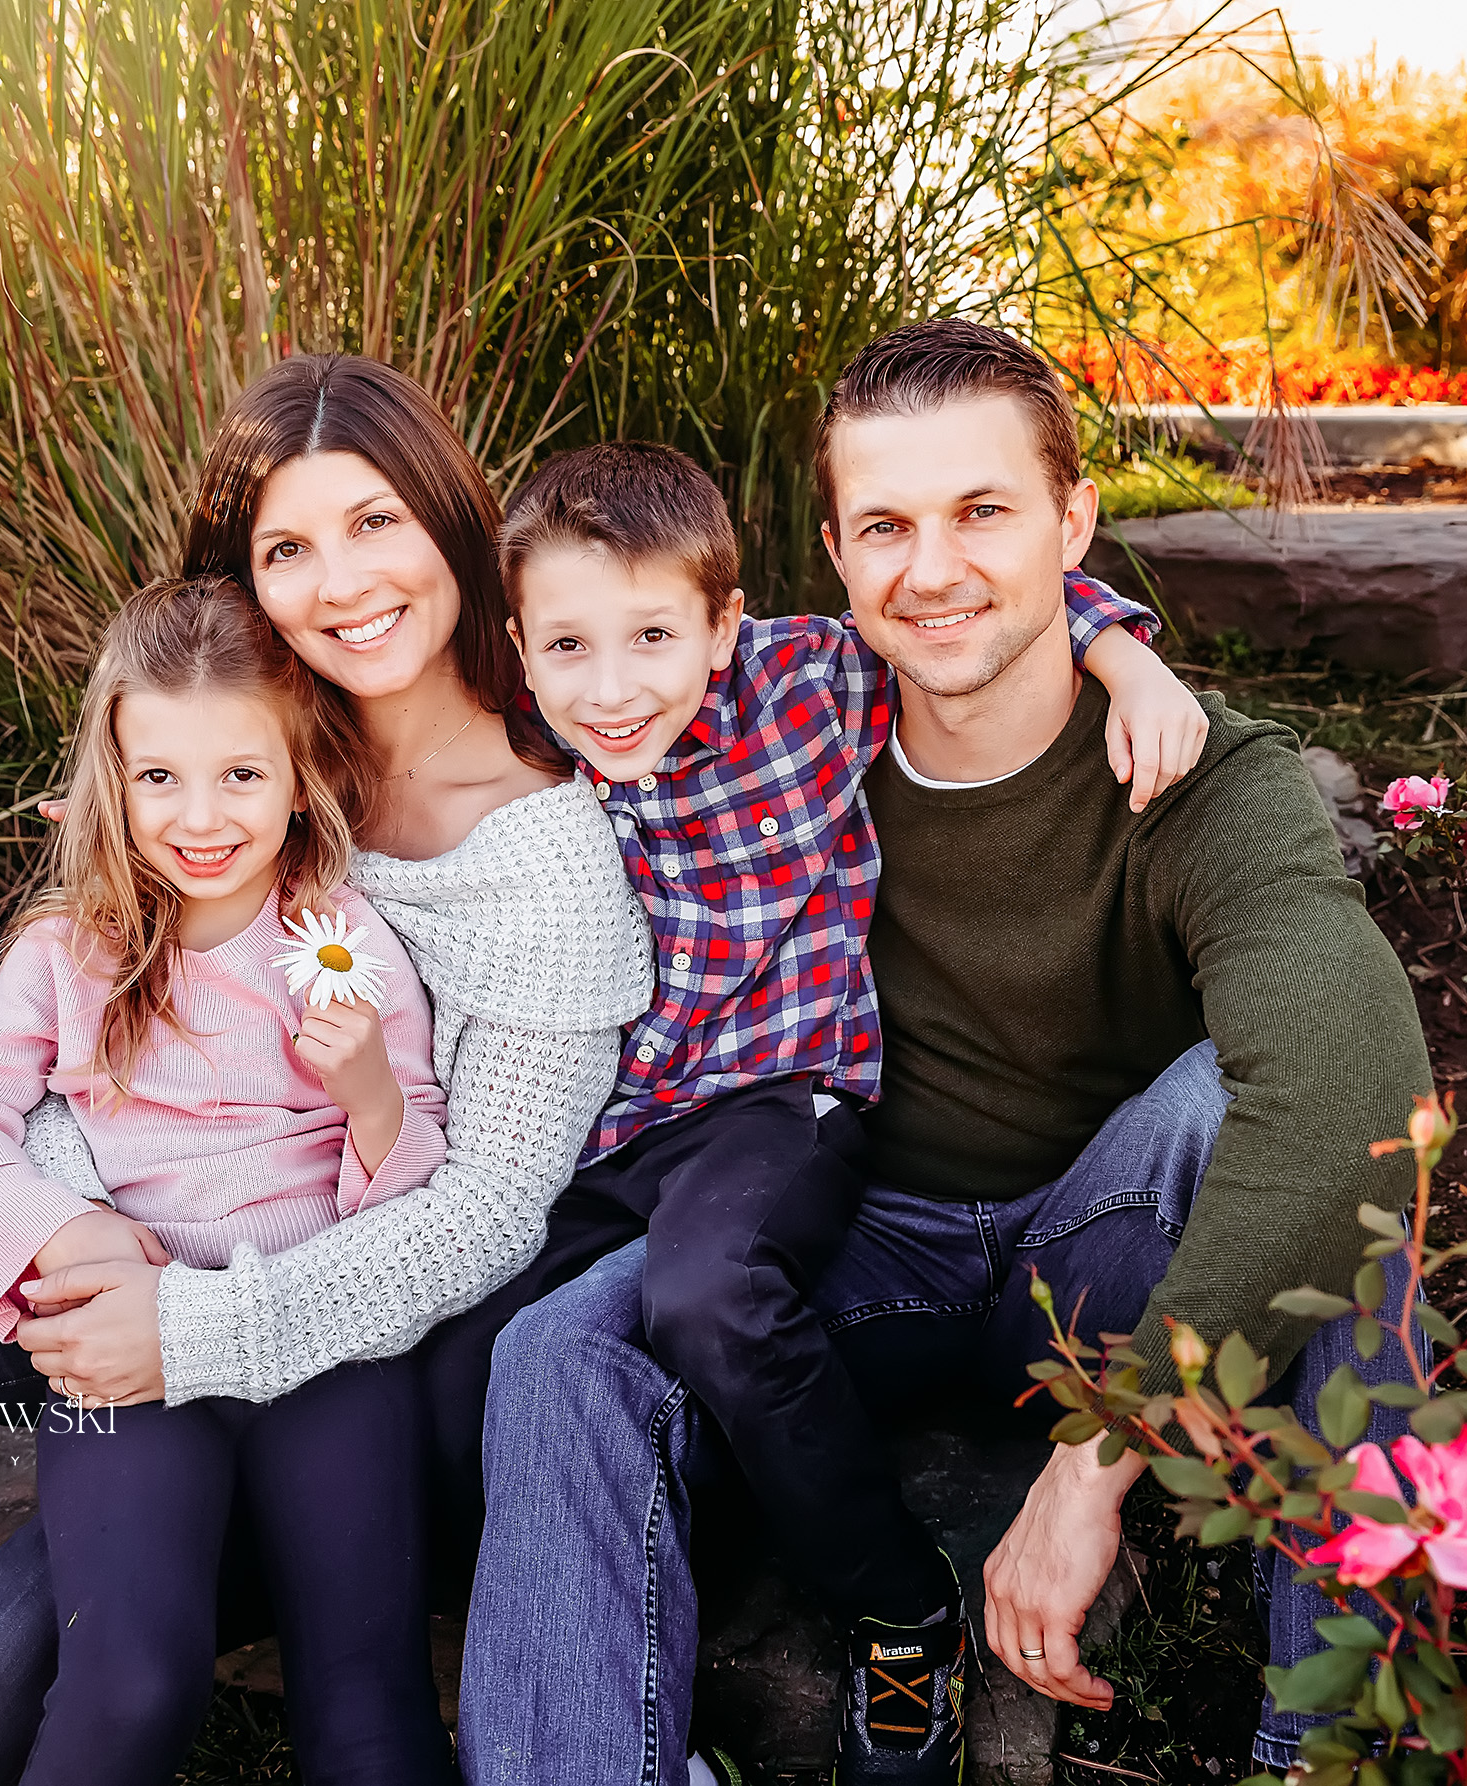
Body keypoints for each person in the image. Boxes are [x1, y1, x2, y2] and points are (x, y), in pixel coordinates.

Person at [458, 319, 1434, 1785]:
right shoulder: (770, 724)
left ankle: (1336, 1756)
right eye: (886, 527)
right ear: (837, 563)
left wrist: (1103, 1448)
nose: (934, 568)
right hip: (862, 1257)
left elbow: (1366, 1088)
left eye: (983, 511)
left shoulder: (1198, 773)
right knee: (560, 1350)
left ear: (1073, 522)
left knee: (1317, 1139)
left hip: (1108, 1256)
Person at [0, 354, 653, 1785]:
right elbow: (64, 1054)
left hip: (343, 1331)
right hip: (114, 1263)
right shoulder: (211, 757)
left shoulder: (542, 854)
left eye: (376, 523)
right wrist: (92, 1238)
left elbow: (474, 1210)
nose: (341, 579)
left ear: (453, 526)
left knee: (58, 1634)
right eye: (287, 547)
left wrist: (188, 1321)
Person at [493, 438, 1205, 1779]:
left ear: (723, 626)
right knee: (494, 1337)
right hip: (622, 1125)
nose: (610, 685)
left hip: (782, 1098)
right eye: (568, 646)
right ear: (522, 652)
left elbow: (983, 624)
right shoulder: (527, 745)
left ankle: (896, 1604)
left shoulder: (803, 682)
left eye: (651, 635)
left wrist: (1131, 657)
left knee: (708, 1296)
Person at [0, 575, 456, 1784]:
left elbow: (416, 1206)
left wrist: (367, 1096)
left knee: (367, 1716)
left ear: (302, 776)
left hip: (318, 1351)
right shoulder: (73, 947)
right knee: (130, 1684)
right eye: (160, 778)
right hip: (133, 1364)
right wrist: (63, 1234)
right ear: (114, 775)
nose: (201, 816)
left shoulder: (343, 942)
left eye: (241, 774)